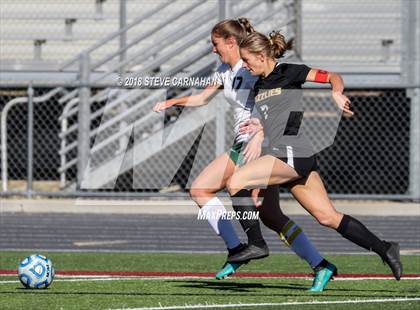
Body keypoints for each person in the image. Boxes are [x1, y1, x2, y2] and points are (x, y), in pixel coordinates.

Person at [153, 19, 336, 291]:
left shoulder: (253, 69)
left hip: (260, 145)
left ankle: (251, 248)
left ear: (231, 42)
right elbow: (202, 98)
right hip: (244, 143)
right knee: (259, 210)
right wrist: (173, 101)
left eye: (216, 44)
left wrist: (262, 134)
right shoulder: (224, 69)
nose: (213, 50)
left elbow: (276, 101)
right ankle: (306, 262)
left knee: (239, 201)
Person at [222, 30, 402, 281]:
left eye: (248, 60)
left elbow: (332, 76)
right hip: (285, 154)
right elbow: (276, 116)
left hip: (292, 151)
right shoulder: (261, 83)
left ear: (261, 56)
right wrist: (258, 125)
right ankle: (385, 248)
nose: (246, 66)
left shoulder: (289, 72)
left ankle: (256, 243)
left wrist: (336, 92)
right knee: (327, 216)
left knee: (235, 181)